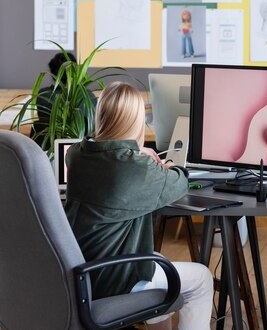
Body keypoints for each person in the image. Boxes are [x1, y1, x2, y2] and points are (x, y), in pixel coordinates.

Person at [65, 82, 213, 329]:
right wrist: (156, 165)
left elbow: (112, 156)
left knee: (158, 264)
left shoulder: (78, 155)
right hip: (115, 278)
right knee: (201, 280)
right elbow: (179, 181)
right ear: (136, 120)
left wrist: (137, 154)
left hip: (83, 270)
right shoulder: (135, 169)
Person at [31, 51, 96, 150]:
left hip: (47, 151)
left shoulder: (43, 94)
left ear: (53, 72)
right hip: (82, 152)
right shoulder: (89, 96)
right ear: (75, 71)